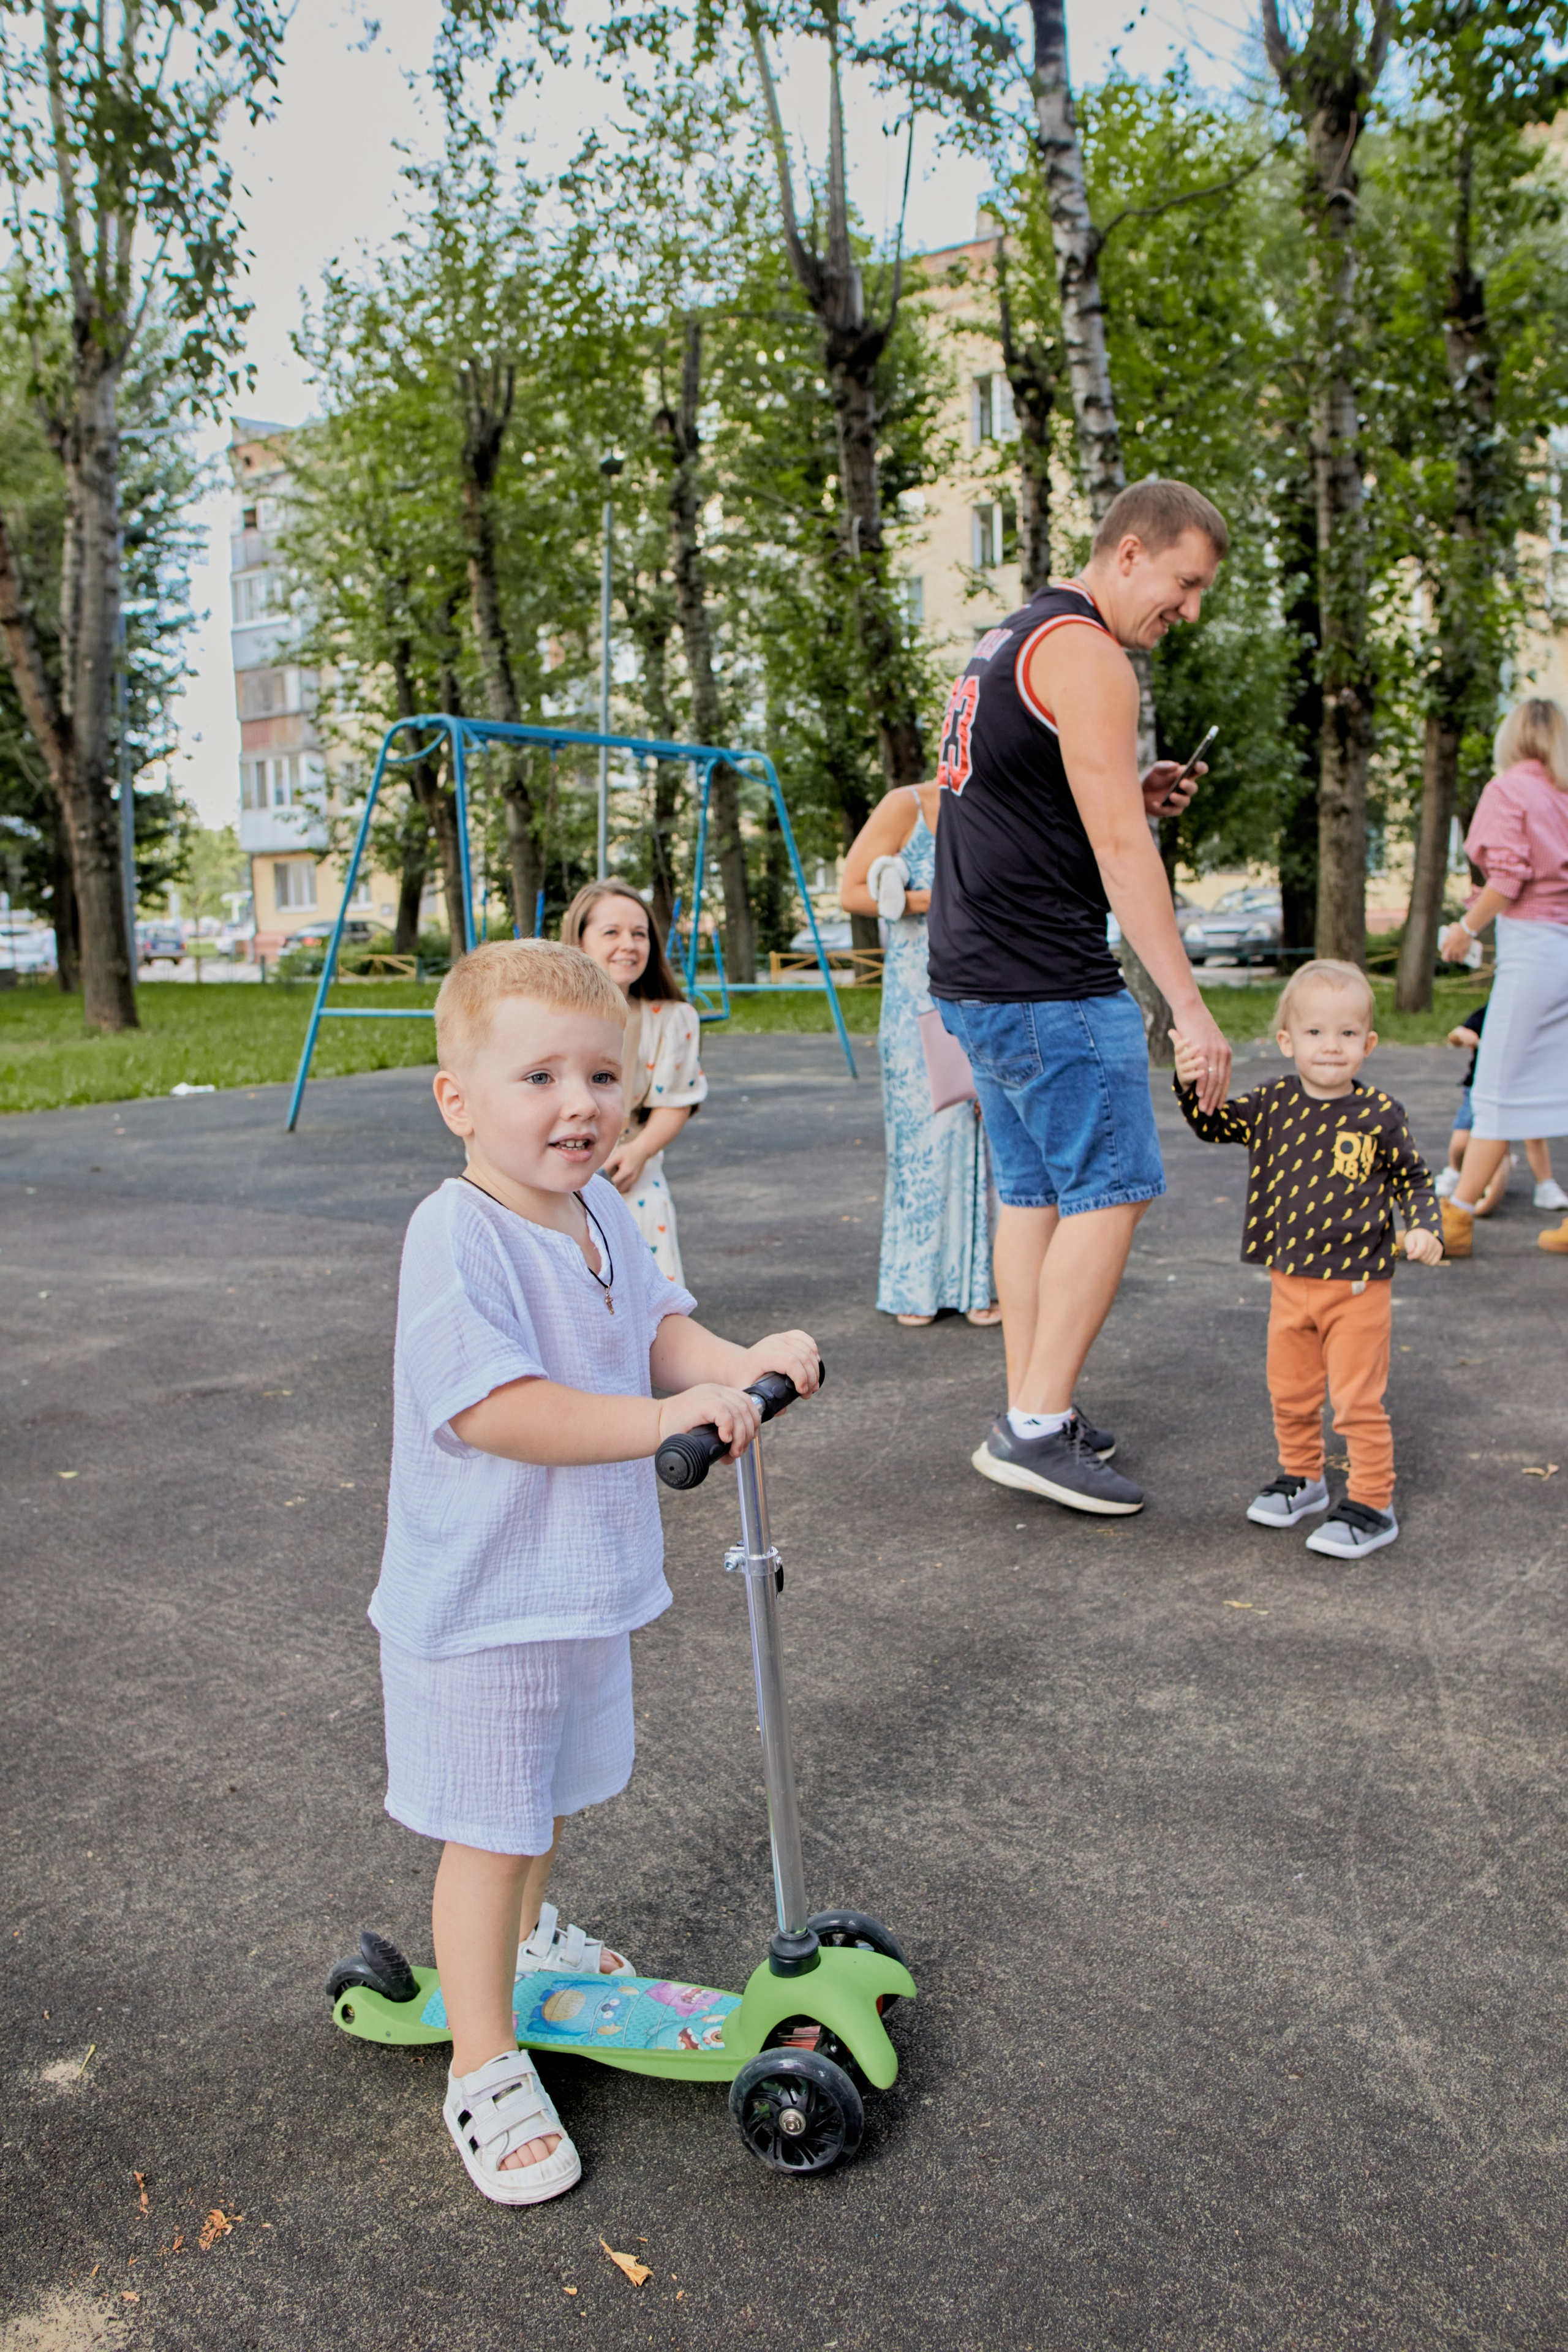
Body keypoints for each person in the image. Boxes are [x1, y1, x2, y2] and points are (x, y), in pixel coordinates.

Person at [371, 938, 818, 2204]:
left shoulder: (602, 1209)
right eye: (539, 1078)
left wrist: (733, 1364)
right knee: (490, 1825)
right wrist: (663, 1423)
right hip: (483, 1599)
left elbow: (655, 1330)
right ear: (459, 1098)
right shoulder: (456, 1234)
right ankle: (482, 2060)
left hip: (573, 1584)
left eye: (602, 1075)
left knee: (547, 1799)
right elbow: (499, 1408)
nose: (578, 1104)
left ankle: (525, 1945)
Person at [926, 477, 1236, 1517]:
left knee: (1035, 1195)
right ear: (1132, 553)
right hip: (1047, 979)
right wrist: (1188, 1010)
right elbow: (1118, 847)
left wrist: (1131, 792)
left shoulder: (1011, 637)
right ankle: (1033, 1425)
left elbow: (1026, 795)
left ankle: (1033, 1405)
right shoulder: (1094, 657)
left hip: (973, 975)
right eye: (1185, 584)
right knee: (1115, 1184)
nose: (1187, 612)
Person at [1172, 960, 1444, 1559]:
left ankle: (1373, 1502)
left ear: (1367, 1044)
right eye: (1316, 1033)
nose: (1331, 1046)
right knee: (1290, 1391)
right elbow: (1210, 1125)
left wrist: (1424, 1228)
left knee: (1355, 1401)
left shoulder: (1379, 1115)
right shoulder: (1271, 1104)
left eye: (1347, 1034)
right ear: (1287, 1042)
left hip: (1357, 1288)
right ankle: (1304, 1477)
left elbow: (1414, 1181)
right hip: (1287, 1280)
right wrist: (1189, 1081)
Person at [840, 783, 1000, 1328]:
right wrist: (935, 898)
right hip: (919, 999)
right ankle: (917, 1285)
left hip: (992, 989)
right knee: (926, 1142)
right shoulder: (907, 805)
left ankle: (984, 1284)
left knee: (993, 1139)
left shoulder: (1007, 807)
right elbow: (851, 892)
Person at [1436, 697, 1568, 1259]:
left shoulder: (1509, 789)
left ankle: (1456, 1222)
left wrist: (1465, 927)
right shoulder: (1562, 793)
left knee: (1494, 1088)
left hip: (1534, 951)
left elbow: (1510, 877)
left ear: (1513, 738)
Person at [560, 881, 706, 1285]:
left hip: (628, 1167)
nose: (628, 944)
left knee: (649, 1273)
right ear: (579, 939)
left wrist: (639, 1151)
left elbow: (675, 1100)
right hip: (557, 1165)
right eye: (612, 932)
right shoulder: (546, 1019)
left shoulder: (671, 1020)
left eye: (639, 934)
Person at [1438, 1003, 1568, 1216]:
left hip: (1525, 1086)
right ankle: (1454, 1172)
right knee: (1462, 1142)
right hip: (1482, 1086)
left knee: (1534, 1137)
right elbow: (1457, 1034)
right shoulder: (1494, 1012)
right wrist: (1462, 1037)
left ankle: (1545, 1184)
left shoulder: (1535, 1019)